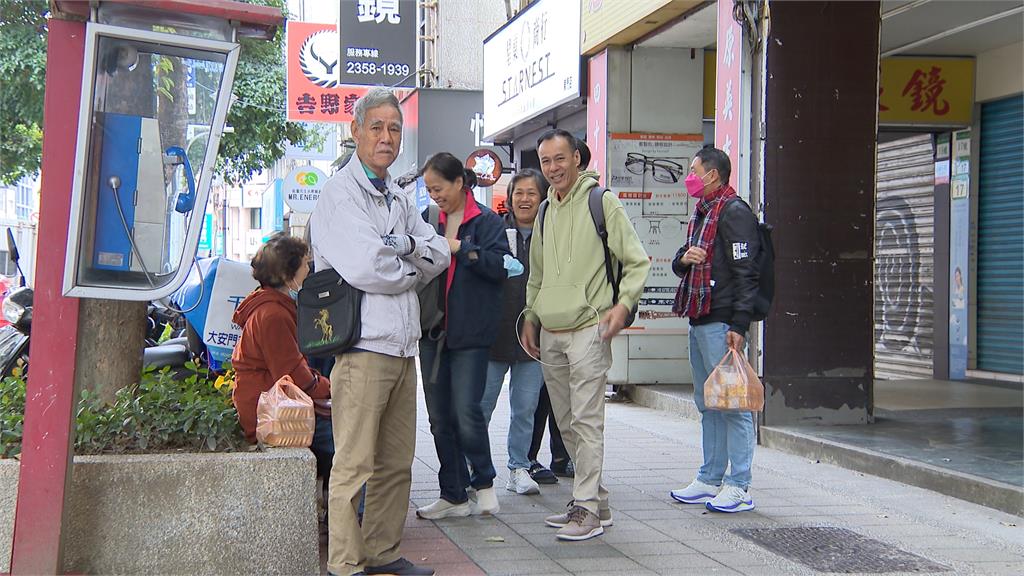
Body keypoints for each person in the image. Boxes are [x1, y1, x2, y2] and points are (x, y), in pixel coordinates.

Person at [310, 87, 449, 576]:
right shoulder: (339, 193)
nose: (386, 137)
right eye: (377, 127)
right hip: (362, 349)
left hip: (401, 347)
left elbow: (440, 251)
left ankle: (382, 553)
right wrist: (413, 269)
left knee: (395, 462)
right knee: (353, 466)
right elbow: (370, 267)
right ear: (356, 131)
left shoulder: (395, 193)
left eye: (394, 128)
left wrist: (405, 246)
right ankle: (346, 565)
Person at [520, 129, 651, 541]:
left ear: (577, 158)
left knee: (587, 421)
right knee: (568, 422)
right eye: (546, 162)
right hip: (552, 333)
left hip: (589, 330)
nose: (554, 168)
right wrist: (530, 316)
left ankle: (587, 510)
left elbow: (637, 261)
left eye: (560, 159)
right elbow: (537, 274)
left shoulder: (602, 201)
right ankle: (597, 500)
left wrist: (622, 306)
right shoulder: (544, 212)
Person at [415, 153, 510, 520]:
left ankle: (483, 481)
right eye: (428, 190)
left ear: (459, 183)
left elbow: (500, 267)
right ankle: (452, 494)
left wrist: (462, 250)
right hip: (432, 332)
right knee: (439, 417)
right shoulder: (427, 222)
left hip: (471, 333)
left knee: (466, 412)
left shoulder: (485, 222)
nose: (434, 195)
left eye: (438, 188)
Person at [668, 145, 761, 514]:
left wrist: (740, 324)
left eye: (695, 170)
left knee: (733, 406)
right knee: (709, 403)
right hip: (699, 316)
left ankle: (739, 485)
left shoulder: (734, 212)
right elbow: (684, 260)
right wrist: (682, 259)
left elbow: (746, 273)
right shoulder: (703, 212)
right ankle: (710, 477)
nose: (690, 177)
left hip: (721, 322)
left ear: (713, 174)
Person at [231, 233, 333, 485]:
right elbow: (292, 376)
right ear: (289, 277)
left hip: (265, 402)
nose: (309, 268)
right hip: (268, 413)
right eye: (305, 263)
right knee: (346, 444)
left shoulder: (268, 305)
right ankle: (347, 520)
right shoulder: (273, 315)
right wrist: (334, 388)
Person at [480, 168, 553, 494]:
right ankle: (476, 468)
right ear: (509, 198)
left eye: (531, 193)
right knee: (482, 406)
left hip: (534, 337)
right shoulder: (494, 229)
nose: (524, 199)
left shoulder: (552, 232)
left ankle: (519, 467)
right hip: (494, 333)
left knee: (525, 407)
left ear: (542, 198)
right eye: (518, 193)